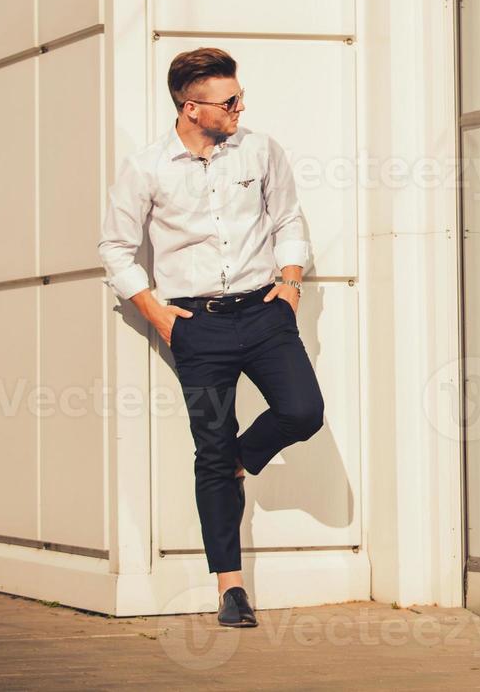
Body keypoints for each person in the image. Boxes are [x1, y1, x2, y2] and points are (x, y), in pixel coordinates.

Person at [98, 47, 324, 627]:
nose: (240, 106)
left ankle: (240, 460)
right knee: (210, 447)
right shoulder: (147, 168)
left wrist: (291, 281)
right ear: (192, 108)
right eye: (229, 101)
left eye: (238, 96)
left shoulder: (260, 149)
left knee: (303, 411)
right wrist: (157, 312)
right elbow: (115, 249)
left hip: (265, 313)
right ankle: (231, 588)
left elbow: (288, 218)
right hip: (196, 325)